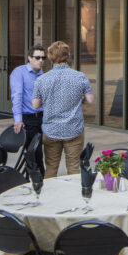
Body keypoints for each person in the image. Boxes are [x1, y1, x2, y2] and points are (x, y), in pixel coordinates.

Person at [32, 41, 93, 176]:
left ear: (50, 57)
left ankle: (50, 195)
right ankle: (74, 196)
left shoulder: (42, 79)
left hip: (51, 129)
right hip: (74, 128)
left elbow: (35, 105)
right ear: (68, 55)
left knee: (51, 168)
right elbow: (90, 100)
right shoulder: (80, 77)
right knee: (74, 168)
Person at [10, 45, 46, 174]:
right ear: (29, 58)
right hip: (28, 119)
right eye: (37, 57)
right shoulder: (19, 72)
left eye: (43, 58)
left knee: (39, 152)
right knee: (34, 153)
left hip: (42, 118)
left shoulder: (43, 76)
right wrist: (18, 119)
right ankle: (39, 179)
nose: (40, 60)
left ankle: (34, 177)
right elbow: (17, 96)